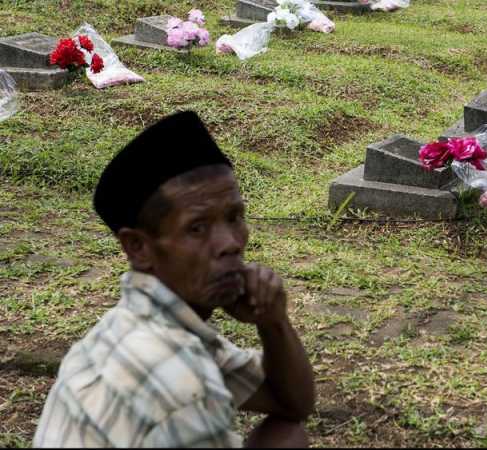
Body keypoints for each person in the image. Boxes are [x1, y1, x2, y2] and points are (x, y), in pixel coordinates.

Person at [33, 111, 315, 448]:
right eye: (197, 228)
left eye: (234, 217)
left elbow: (293, 403)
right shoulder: (180, 384)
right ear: (138, 247)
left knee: (286, 436)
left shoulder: (143, 326)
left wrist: (274, 322)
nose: (231, 243)